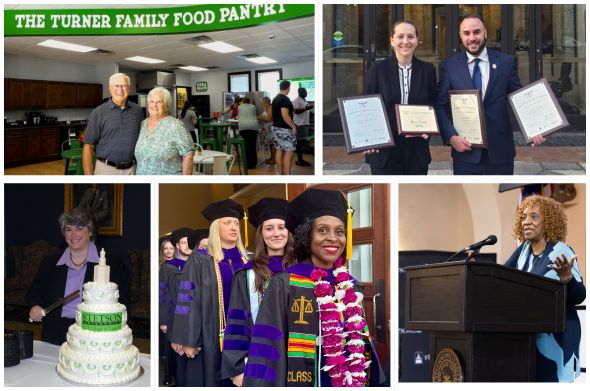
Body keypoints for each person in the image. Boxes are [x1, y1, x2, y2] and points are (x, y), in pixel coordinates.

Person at [243, 189, 385, 386]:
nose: (334, 238)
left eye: (340, 231)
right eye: (323, 230)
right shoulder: (285, 284)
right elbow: (267, 348)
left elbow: (361, 341)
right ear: (306, 236)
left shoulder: (349, 285)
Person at [435, 14, 545, 175]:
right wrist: (451, 137)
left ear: (485, 33)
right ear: (460, 36)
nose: (472, 38)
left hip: (500, 153)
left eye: (477, 32)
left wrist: (535, 128)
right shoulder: (449, 66)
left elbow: (519, 99)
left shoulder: (506, 62)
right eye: (466, 33)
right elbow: (440, 106)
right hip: (465, 153)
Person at [504, 195, 585, 382]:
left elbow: (579, 296)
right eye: (523, 217)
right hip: (529, 336)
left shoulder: (562, 251)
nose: (526, 222)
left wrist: (568, 279)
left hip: (556, 337)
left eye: (534, 216)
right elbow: (503, 276)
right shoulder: (523, 250)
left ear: (547, 221)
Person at [171, 199, 249, 386]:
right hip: (210, 336)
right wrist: (189, 339)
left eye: (236, 223)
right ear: (216, 227)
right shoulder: (200, 260)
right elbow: (187, 300)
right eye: (227, 222)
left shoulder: (248, 260)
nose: (234, 227)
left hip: (244, 336)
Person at [26, 207, 128, 345]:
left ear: (90, 232)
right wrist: (35, 306)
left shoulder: (111, 262)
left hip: (93, 331)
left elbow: (122, 299)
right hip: (55, 328)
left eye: (79, 228)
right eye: (68, 229)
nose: (73, 235)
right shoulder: (51, 259)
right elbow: (35, 291)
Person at [221, 197, 292, 386]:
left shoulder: (304, 270)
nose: (276, 233)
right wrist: (236, 367)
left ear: (289, 231)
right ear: (261, 234)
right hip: (262, 359)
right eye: (269, 228)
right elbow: (236, 321)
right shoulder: (247, 274)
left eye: (281, 227)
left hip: (298, 359)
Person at [364, 20, 436, 175]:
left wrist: (429, 130)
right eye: (400, 36)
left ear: (417, 40)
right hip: (384, 149)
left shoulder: (428, 70)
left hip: (416, 149)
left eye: (410, 36)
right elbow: (367, 105)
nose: (405, 41)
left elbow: (433, 104)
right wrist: (368, 138)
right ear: (392, 40)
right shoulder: (377, 69)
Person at [83, 73, 144, 175]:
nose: (120, 89)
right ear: (110, 88)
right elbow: (88, 146)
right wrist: (89, 179)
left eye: (124, 85)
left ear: (129, 88)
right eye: (116, 85)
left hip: (132, 170)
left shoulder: (138, 111)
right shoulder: (98, 112)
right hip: (106, 169)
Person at [159, 227, 194, 386]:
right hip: (173, 314)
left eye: (189, 242)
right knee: (173, 350)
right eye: (183, 243)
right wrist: (164, 320)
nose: (187, 246)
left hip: (192, 314)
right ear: (177, 246)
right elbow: (163, 293)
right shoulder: (169, 266)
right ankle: (171, 377)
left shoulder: (196, 264)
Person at [134, 87, 194, 175]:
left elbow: (188, 155)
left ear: (166, 105)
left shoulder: (175, 125)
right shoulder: (143, 124)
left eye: (159, 102)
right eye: (152, 101)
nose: (154, 105)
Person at [271, 80, 297, 175]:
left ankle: (280, 173)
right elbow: (285, 115)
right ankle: (287, 175)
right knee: (289, 151)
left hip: (276, 128)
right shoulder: (285, 99)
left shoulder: (275, 99)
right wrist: (293, 126)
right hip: (284, 129)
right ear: (288, 88)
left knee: (279, 149)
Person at [292, 87, 313, 167]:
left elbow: (305, 111)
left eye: (306, 92)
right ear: (299, 93)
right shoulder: (296, 101)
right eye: (304, 92)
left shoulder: (303, 100)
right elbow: (296, 111)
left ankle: (300, 160)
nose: (306, 93)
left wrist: (309, 111)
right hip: (300, 125)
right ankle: (300, 160)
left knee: (303, 143)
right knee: (300, 143)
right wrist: (306, 108)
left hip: (304, 124)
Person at [237, 97, 260, 169]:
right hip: (253, 127)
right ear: (249, 101)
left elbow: (238, 116)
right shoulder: (253, 107)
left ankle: (247, 164)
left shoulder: (239, 107)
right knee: (252, 146)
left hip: (243, 128)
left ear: (243, 101)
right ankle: (253, 164)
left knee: (246, 146)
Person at [257, 96, 276, 164]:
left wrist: (258, 117)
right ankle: (272, 157)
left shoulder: (270, 108)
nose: (262, 104)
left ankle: (274, 159)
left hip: (270, 128)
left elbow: (268, 119)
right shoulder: (267, 108)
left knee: (272, 144)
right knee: (270, 144)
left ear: (266, 102)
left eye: (263, 103)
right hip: (267, 129)